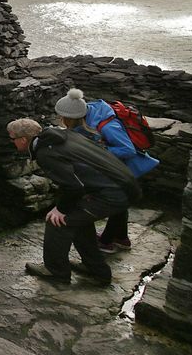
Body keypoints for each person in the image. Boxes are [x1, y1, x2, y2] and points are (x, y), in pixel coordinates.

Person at [6, 118, 139, 284]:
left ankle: (56, 271)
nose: (12, 143)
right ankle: (98, 271)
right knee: (79, 220)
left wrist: (60, 209)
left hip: (113, 194)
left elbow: (73, 186)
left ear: (23, 140)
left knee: (57, 221)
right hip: (124, 184)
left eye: (12, 139)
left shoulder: (46, 153)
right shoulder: (63, 135)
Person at [54, 88, 159, 253]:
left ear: (73, 117)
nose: (61, 120)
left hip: (127, 168)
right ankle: (122, 239)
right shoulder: (88, 112)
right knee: (120, 203)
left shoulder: (108, 125)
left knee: (117, 203)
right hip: (116, 168)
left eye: (63, 118)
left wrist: (97, 153)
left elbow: (128, 150)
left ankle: (106, 241)